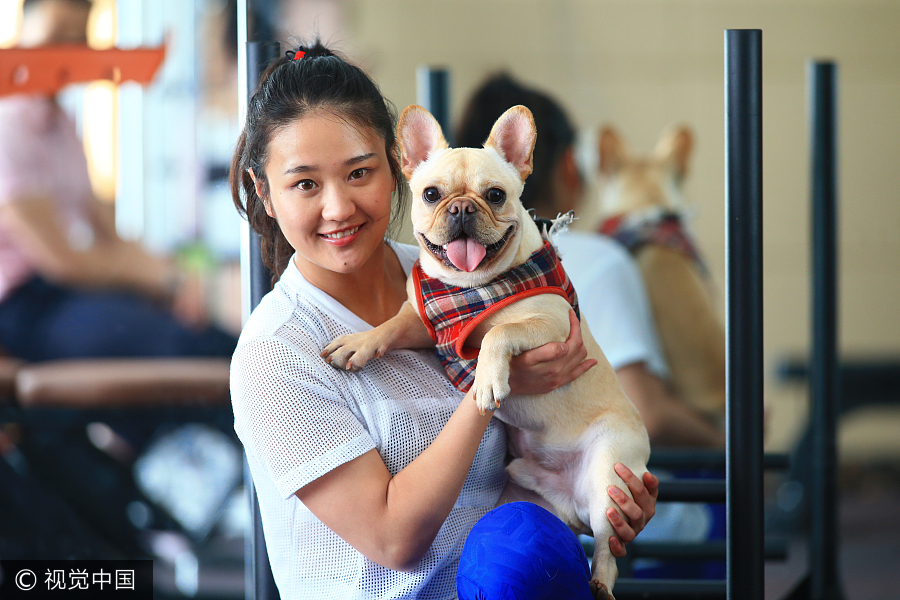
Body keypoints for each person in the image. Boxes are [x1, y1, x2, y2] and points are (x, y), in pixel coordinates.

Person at [229, 40, 658, 599]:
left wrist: (597, 500)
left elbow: (526, 470)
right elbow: (393, 541)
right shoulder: (277, 350)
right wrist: (491, 386)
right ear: (264, 192)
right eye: (305, 183)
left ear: (394, 167)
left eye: (359, 173)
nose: (338, 207)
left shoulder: (459, 276)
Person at [457, 73, 726, 580]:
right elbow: (648, 413)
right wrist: (727, 441)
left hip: (501, 518)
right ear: (566, 167)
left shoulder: (436, 279)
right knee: (722, 507)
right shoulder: (600, 260)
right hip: (606, 512)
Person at [0, 0, 237, 361]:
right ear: (21, 32)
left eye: (78, 38)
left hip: (67, 294)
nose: (68, 51)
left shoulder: (62, 123)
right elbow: (62, 261)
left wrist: (173, 279)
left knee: (220, 341)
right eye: (57, 35)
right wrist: (162, 280)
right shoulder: (9, 122)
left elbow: (107, 231)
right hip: (24, 306)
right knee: (185, 346)